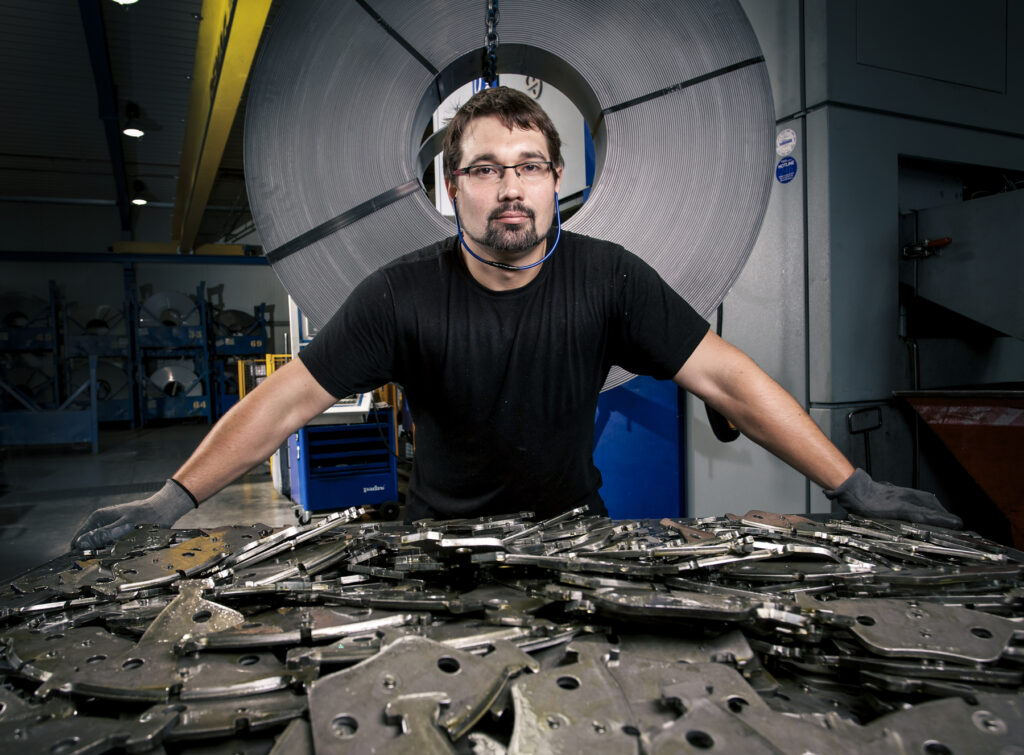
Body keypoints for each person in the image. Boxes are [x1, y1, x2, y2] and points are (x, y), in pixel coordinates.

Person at [72, 87, 959, 550]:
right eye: (487, 167)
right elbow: (287, 400)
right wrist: (174, 496)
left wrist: (853, 486)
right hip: (439, 551)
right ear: (450, 186)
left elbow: (726, 374)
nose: (510, 186)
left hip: (579, 535)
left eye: (531, 165)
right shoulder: (399, 295)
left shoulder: (609, 279)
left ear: (554, 180)